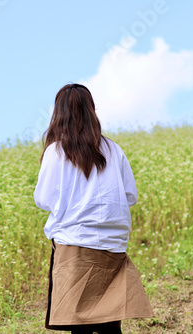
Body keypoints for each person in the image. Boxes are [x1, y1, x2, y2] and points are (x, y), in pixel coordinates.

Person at [33, 83, 154, 334]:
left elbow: (43, 199)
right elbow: (130, 195)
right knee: (110, 323)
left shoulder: (56, 152)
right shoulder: (113, 149)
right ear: (92, 111)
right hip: (113, 246)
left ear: (59, 114)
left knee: (80, 325)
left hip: (75, 245)